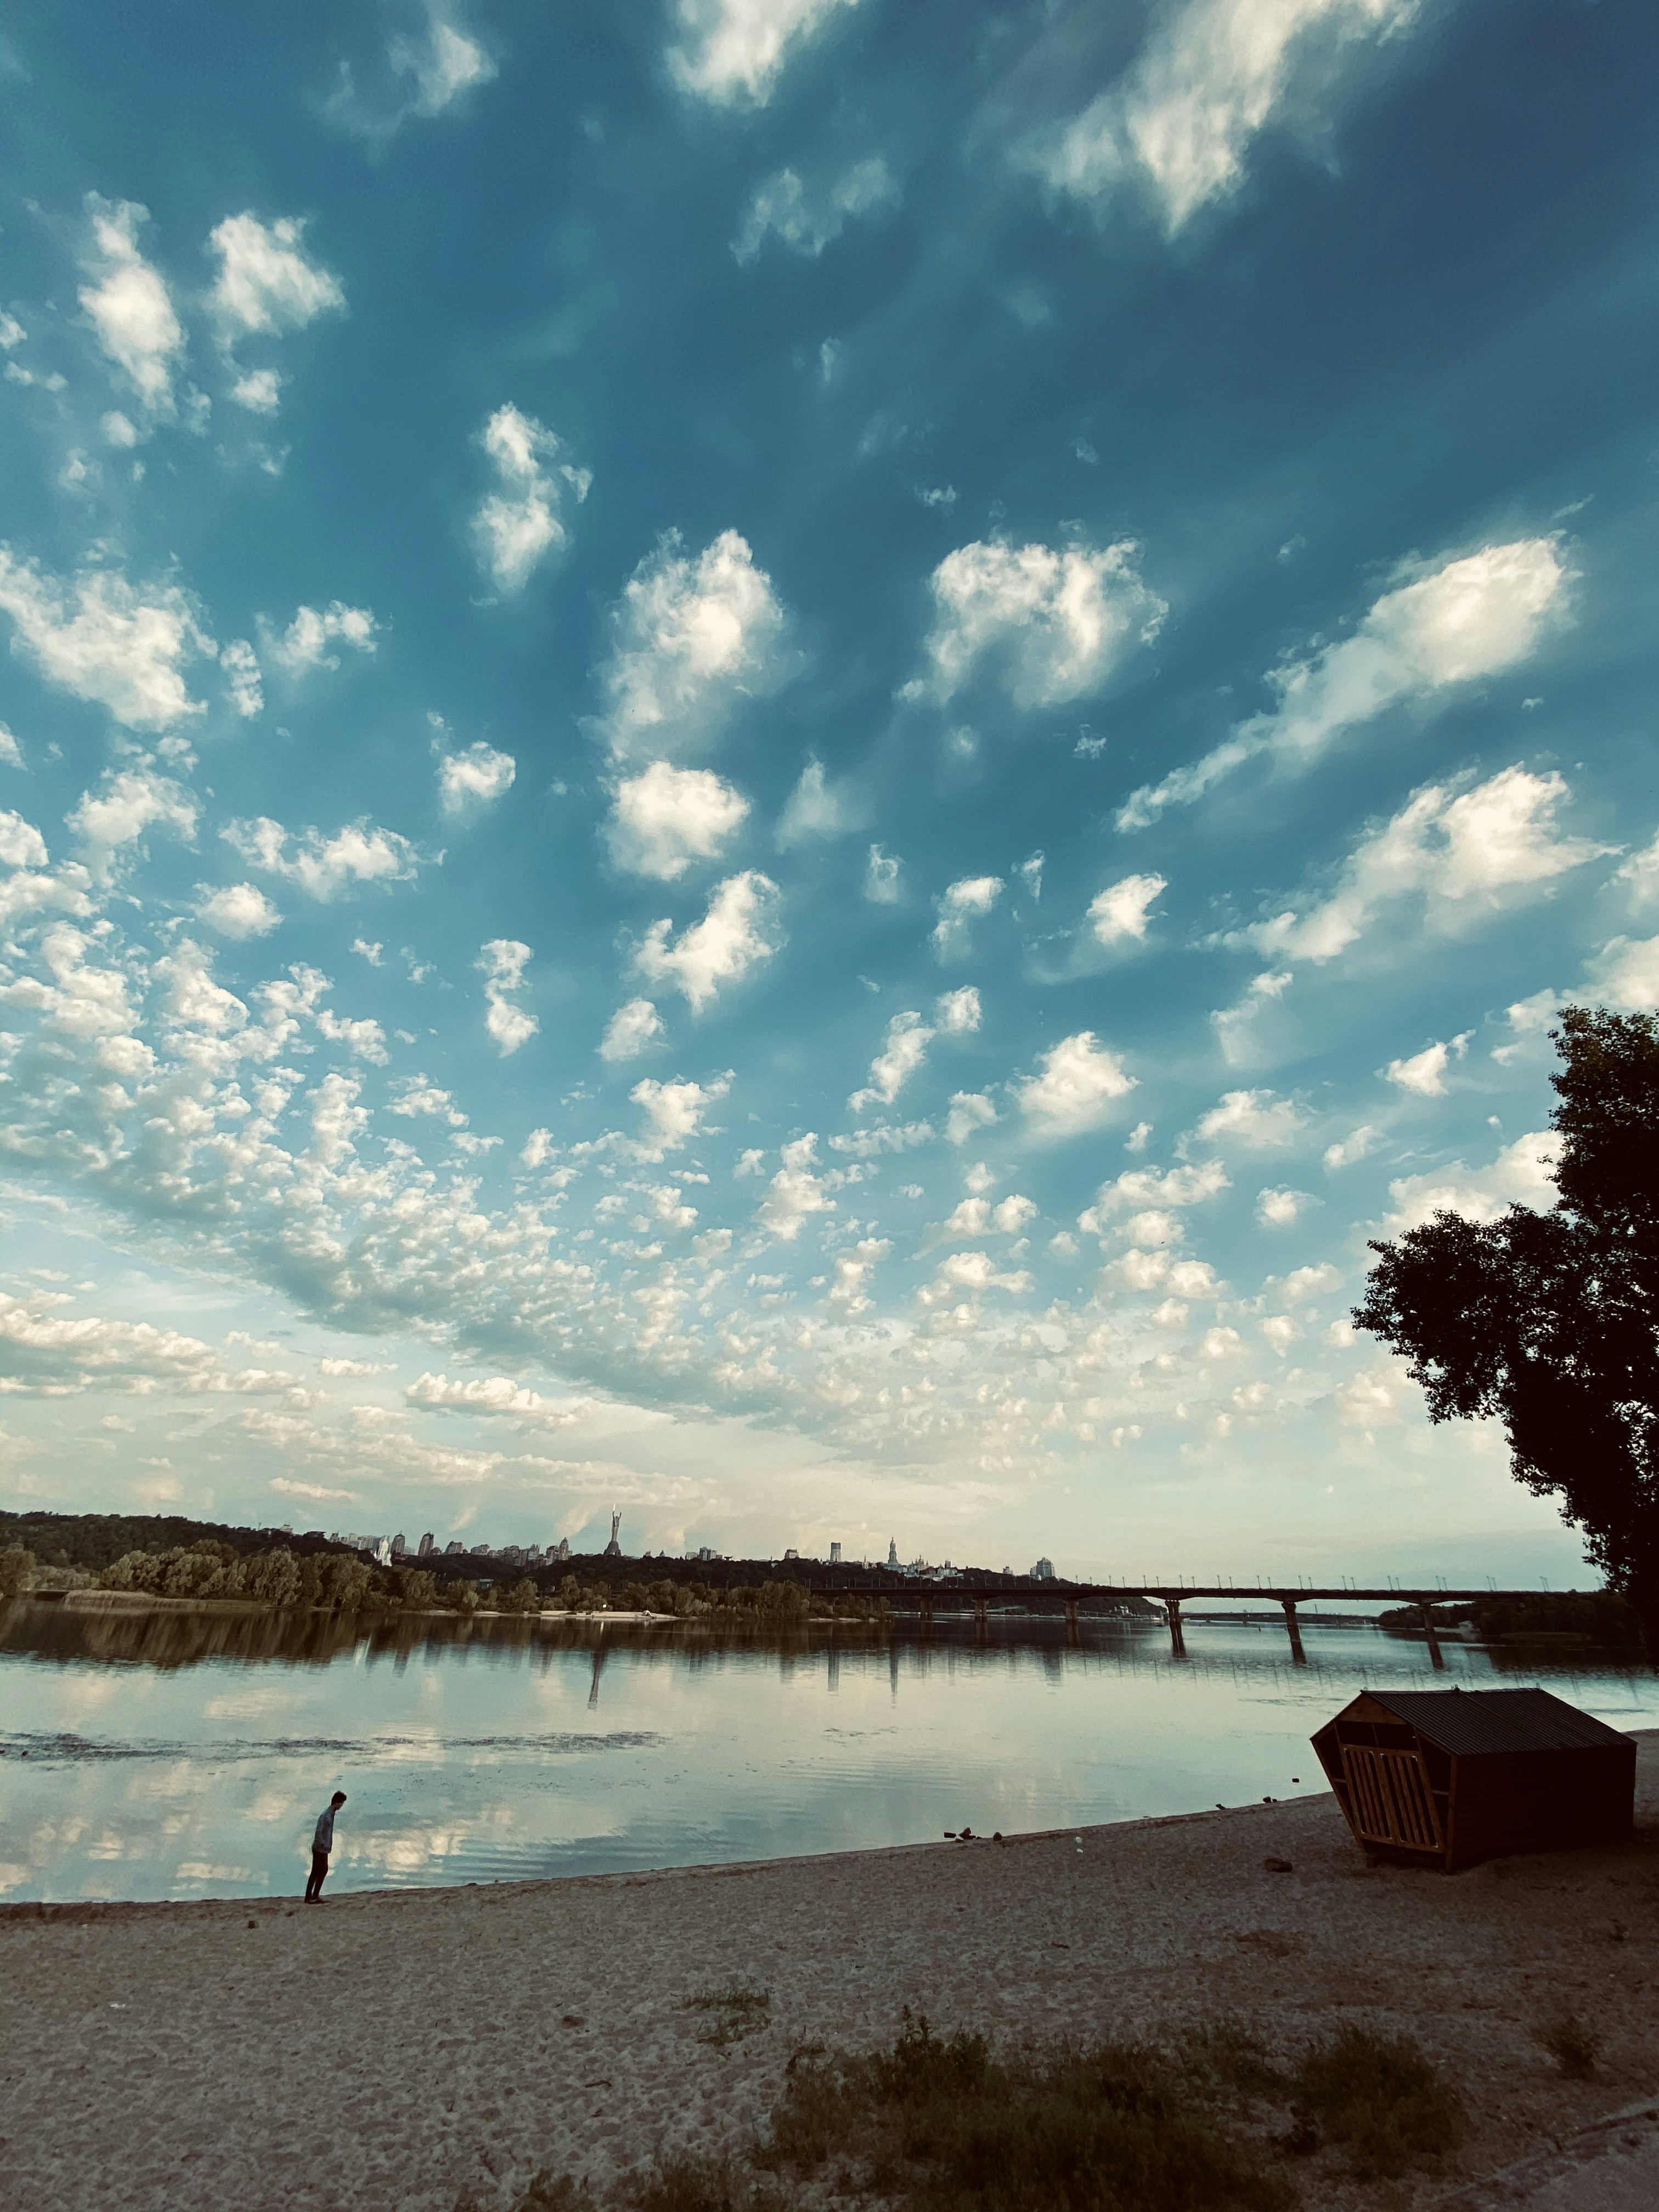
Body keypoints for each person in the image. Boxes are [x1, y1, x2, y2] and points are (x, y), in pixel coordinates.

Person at [305, 1790, 347, 1901]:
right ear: (337, 1803)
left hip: (323, 1848)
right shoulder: (325, 1815)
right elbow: (319, 1832)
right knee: (320, 1870)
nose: (342, 1806)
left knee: (318, 1871)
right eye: (341, 1803)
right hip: (320, 1848)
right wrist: (323, 1845)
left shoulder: (331, 1814)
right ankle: (312, 1896)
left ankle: (312, 1896)